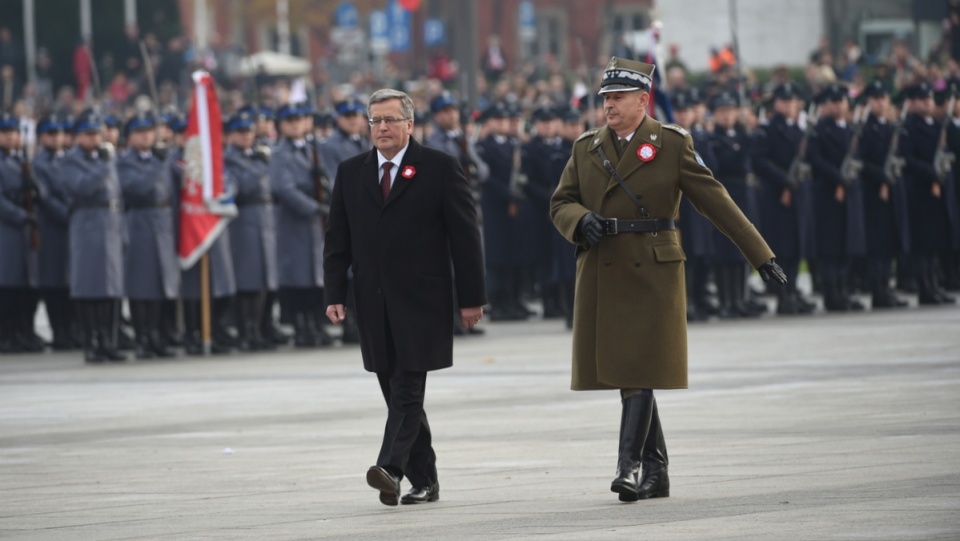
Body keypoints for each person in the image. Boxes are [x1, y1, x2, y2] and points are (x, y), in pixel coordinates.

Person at [550, 57, 786, 503]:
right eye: (605, 99)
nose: (609, 106)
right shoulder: (586, 147)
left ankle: (628, 465)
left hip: (653, 268)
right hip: (603, 265)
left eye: (618, 98)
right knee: (629, 369)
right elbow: (560, 201)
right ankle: (656, 470)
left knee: (638, 366)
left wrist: (760, 254)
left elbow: (716, 201)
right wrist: (580, 221)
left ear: (644, 100)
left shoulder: (672, 143)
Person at [324, 88, 486, 506]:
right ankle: (426, 479)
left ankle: (390, 468)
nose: (381, 128)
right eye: (375, 120)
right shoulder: (351, 171)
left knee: (408, 385)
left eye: (391, 120)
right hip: (372, 300)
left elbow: (465, 238)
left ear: (410, 125)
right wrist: (334, 292)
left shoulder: (439, 168)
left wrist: (472, 298)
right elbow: (336, 240)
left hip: (423, 299)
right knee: (394, 389)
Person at [62, 110, 127, 363]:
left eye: (97, 134)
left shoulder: (107, 158)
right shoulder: (71, 161)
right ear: (78, 136)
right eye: (89, 135)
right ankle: (91, 343)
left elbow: (118, 196)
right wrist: (103, 165)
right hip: (87, 224)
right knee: (89, 286)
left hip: (110, 224)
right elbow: (81, 188)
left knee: (111, 288)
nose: (95, 139)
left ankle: (109, 341)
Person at [116, 111, 179, 359]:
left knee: (161, 284)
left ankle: (157, 335)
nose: (146, 137)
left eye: (149, 132)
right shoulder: (125, 162)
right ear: (130, 137)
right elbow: (137, 190)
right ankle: (143, 337)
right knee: (142, 286)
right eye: (140, 133)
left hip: (163, 222)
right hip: (140, 221)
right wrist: (159, 164)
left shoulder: (159, 158)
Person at [752, 83, 817, 314]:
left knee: (796, 247)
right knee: (780, 248)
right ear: (776, 103)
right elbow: (759, 162)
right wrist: (784, 181)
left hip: (797, 195)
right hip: (777, 197)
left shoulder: (799, 130)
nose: (790, 105)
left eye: (793, 101)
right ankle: (782, 297)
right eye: (785, 101)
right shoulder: (767, 129)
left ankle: (791, 293)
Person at [272, 103, 331, 347]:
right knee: (297, 276)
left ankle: (315, 322)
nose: (296, 124)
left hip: (314, 224)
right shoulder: (280, 154)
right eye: (290, 120)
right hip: (294, 221)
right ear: (281, 126)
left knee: (317, 275)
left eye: (300, 119)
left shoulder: (311, 150)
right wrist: (314, 208)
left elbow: (327, 181)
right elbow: (284, 189)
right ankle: (300, 325)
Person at [807, 83, 865, 311]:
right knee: (830, 248)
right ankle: (832, 295)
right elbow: (815, 160)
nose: (839, 105)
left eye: (842, 101)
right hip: (828, 194)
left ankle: (843, 292)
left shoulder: (851, 130)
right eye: (834, 102)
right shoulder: (820, 130)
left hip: (849, 194)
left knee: (845, 247)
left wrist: (848, 180)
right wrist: (839, 178)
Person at [224, 110, 278, 351]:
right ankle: (246, 330)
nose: (246, 136)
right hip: (243, 221)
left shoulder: (256, 155)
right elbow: (242, 186)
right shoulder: (229, 159)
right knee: (248, 279)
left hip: (264, 220)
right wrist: (259, 164)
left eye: (248, 131)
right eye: (240, 132)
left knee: (265, 277)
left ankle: (259, 328)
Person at [900, 82, 958, 304]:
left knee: (935, 244)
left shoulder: (937, 125)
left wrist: (941, 175)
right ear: (913, 103)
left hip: (939, 190)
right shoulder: (909, 126)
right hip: (920, 191)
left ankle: (935, 285)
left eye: (930, 99)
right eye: (923, 100)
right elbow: (908, 158)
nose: (928, 103)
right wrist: (932, 175)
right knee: (923, 246)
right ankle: (925, 289)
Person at [710, 91, 763, 318]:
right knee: (725, 252)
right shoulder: (713, 139)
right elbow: (723, 164)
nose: (727, 116)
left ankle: (740, 298)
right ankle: (726, 300)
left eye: (730, 111)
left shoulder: (742, 136)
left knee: (742, 249)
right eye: (722, 112)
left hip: (744, 195)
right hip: (725, 194)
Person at [857, 81, 908, 308]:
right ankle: (878, 290)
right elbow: (862, 161)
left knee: (888, 244)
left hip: (891, 192)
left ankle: (886, 288)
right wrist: (882, 178)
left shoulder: (889, 127)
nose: (881, 102)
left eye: (884, 98)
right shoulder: (864, 129)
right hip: (872, 193)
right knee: (877, 245)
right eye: (876, 98)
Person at [33, 113, 78, 349]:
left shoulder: (70, 160)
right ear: (41, 137)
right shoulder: (38, 164)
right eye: (51, 134)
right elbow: (46, 198)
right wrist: (69, 215)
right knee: (53, 282)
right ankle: (59, 331)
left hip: (71, 227)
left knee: (70, 282)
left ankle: (71, 330)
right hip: (52, 229)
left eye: (60, 133)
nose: (57, 138)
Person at [0, 111, 43, 353]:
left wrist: (35, 190)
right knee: (7, 286)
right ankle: (5, 333)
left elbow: (36, 193)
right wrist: (22, 216)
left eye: (15, 133)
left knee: (26, 286)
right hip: (7, 229)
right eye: (6, 133)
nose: (11, 138)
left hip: (24, 232)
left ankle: (23, 330)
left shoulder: (22, 161)